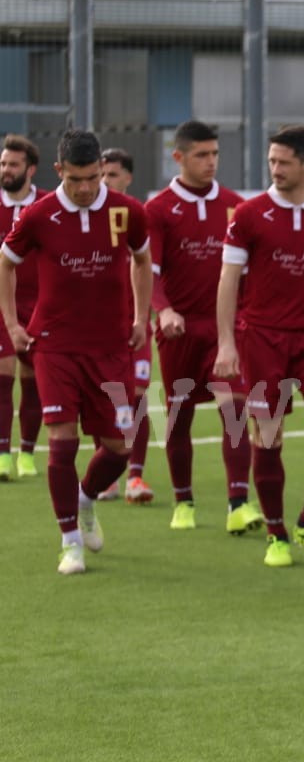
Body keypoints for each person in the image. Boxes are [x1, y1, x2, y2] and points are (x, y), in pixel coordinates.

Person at [0, 129, 152, 575]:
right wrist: (12, 324)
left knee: (119, 447)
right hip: (56, 346)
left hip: (111, 348)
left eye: (94, 178)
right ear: (58, 171)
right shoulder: (38, 215)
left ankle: (85, 500)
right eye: (76, 179)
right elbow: (6, 262)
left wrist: (141, 317)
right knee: (62, 442)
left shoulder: (128, 212)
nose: (86, 188)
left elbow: (142, 261)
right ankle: (70, 542)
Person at [215, 125, 304, 567]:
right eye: (272, 161)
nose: (275, 169)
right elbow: (228, 280)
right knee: (268, 438)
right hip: (262, 338)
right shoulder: (249, 214)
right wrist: (226, 343)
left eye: (284, 162)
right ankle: (276, 532)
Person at [144, 121, 262, 535]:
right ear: (178, 157)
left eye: (214, 154)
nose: (210, 162)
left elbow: (248, 271)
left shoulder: (235, 205)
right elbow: (149, 272)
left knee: (234, 407)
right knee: (179, 418)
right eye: (201, 155)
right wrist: (163, 311)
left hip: (225, 331)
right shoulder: (157, 210)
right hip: (178, 331)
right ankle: (183, 501)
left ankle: (238, 503)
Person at [93, 148, 157, 505]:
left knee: (136, 397)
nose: (105, 182)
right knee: (101, 400)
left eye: (113, 175)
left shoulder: (137, 216)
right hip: (99, 327)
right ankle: (108, 478)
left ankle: (136, 476)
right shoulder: (89, 218)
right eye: (101, 174)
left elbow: (148, 266)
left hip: (135, 325)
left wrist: (144, 316)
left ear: (128, 178)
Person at [0, 135, 43, 483]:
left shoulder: (45, 205)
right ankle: (1, 453)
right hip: (2, 303)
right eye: (2, 164)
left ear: (30, 169)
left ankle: (27, 452)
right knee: (2, 379)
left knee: (33, 382)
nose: (5, 170)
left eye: (13, 164)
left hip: (40, 305)